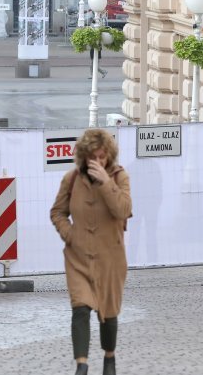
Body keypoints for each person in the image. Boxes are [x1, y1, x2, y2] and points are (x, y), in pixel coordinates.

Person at [50, 129, 132, 375]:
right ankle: (82, 366)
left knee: (108, 313)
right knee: (81, 308)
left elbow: (124, 210)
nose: (98, 161)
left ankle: (109, 358)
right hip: (78, 257)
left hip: (111, 259)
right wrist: (70, 234)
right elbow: (58, 212)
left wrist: (107, 184)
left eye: (103, 157)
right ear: (84, 157)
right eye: (93, 157)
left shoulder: (119, 177)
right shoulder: (72, 179)